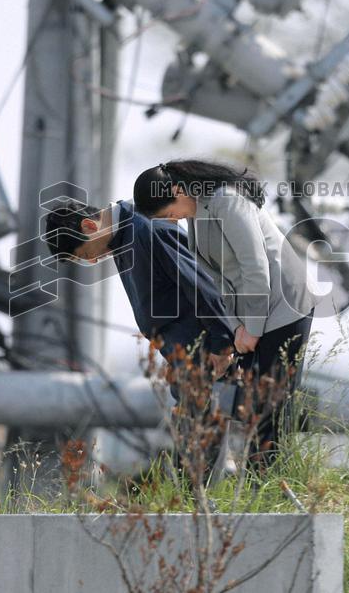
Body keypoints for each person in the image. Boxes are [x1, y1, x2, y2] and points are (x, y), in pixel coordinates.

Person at [133, 159, 318, 464]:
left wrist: (251, 330)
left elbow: (255, 268)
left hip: (284, 305)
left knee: (269, 410)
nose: (172, 221)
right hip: (253, 314)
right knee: (252, 406)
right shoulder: (195, 212)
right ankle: (262, 482)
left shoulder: (227, 201)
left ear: (178, 191)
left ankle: (273, 482)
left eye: (168, 214)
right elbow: (216, 282)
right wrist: (234, 330)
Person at [44, 199, 234, 393]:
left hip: (211, 357)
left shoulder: (147, 229)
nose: (92, 261)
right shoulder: (121, 239)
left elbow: (201, 285)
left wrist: (222, 344)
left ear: (89, 226)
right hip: (185, 359)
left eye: (85, 254)